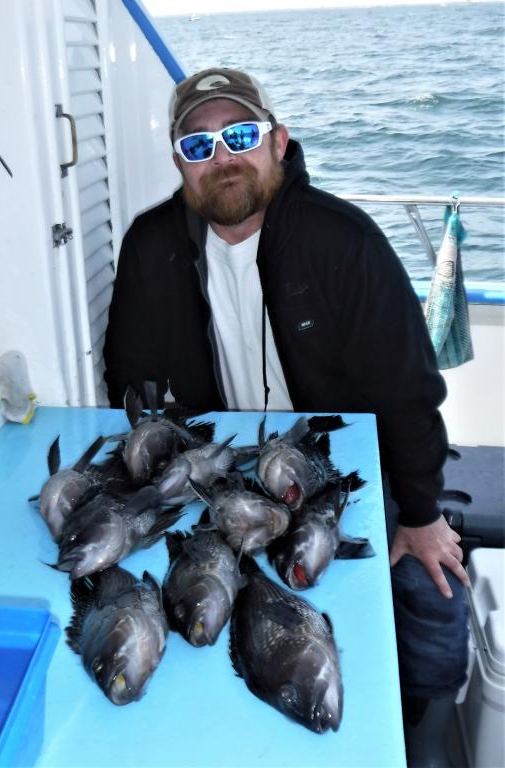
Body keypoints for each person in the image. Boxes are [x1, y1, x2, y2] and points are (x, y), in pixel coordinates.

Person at [104, 67, 469, 764]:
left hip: (340, 465)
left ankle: (424, 734)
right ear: (181, 163)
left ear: (278, 142)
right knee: (172, 612)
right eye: (199, 145)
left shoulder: (344, 240)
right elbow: (126, 375)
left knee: (432, 596)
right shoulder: (150, 245)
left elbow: (406, 389)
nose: (223, 157)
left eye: (240, 135)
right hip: (214, 463)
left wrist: (421, 513)